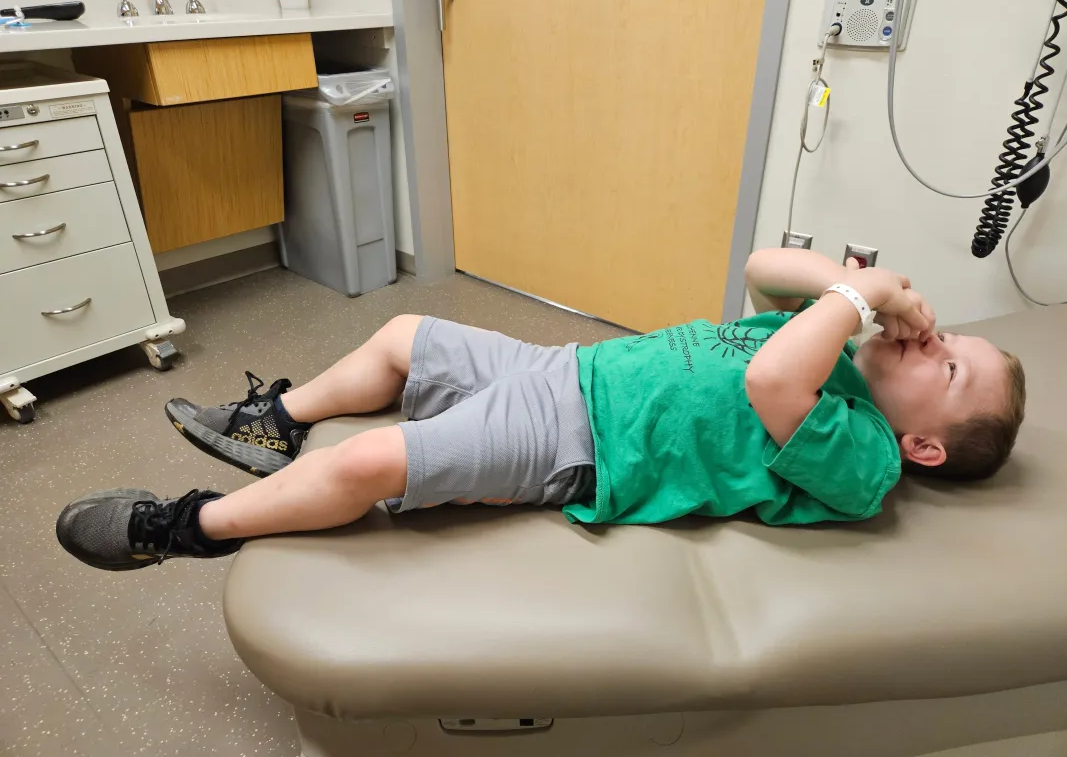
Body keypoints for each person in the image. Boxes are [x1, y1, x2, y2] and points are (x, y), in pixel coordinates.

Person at [56, 249, 1026, 571]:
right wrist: (853, 292)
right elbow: (763, 268)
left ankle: (182, 528)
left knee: (367, 463)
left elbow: (773, 383)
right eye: (947, 335)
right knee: (401, 334)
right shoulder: (834, 344)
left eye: (948, 367)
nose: (931, 340)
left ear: (924, 447)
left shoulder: (864, 457)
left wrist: (858, 298)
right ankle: (276, 422)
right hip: (572, 368)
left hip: (579, 437)